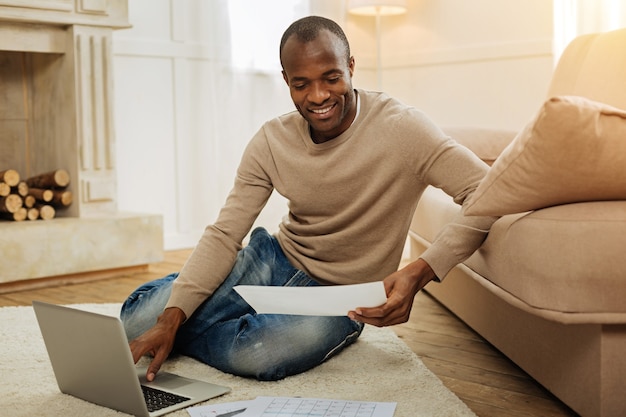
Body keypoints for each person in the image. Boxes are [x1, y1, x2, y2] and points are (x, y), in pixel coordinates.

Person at [121, 15, 496, 382]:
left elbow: (487, 193)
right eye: (301, 84)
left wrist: (422, 270)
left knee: (258, 352)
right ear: (286, 80)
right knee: (134, 323)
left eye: (331, 78)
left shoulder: (403, 128)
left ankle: (204, 312)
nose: (317, 96)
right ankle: (194, 302)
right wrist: (171, 316)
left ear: (350, 67)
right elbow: (225, 233)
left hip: (343, 296)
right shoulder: (271, 140)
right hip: (272, 261)